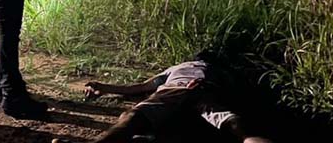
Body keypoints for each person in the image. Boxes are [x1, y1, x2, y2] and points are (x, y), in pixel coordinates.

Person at [84, 54, 273, 142]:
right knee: (233, 124)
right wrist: (102, 87)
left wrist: (103, 87)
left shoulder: (178, 68)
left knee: (131, 118)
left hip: (174, 90)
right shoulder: (224, 73)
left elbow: (139, 87)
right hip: (205, 92)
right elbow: (237, 95)